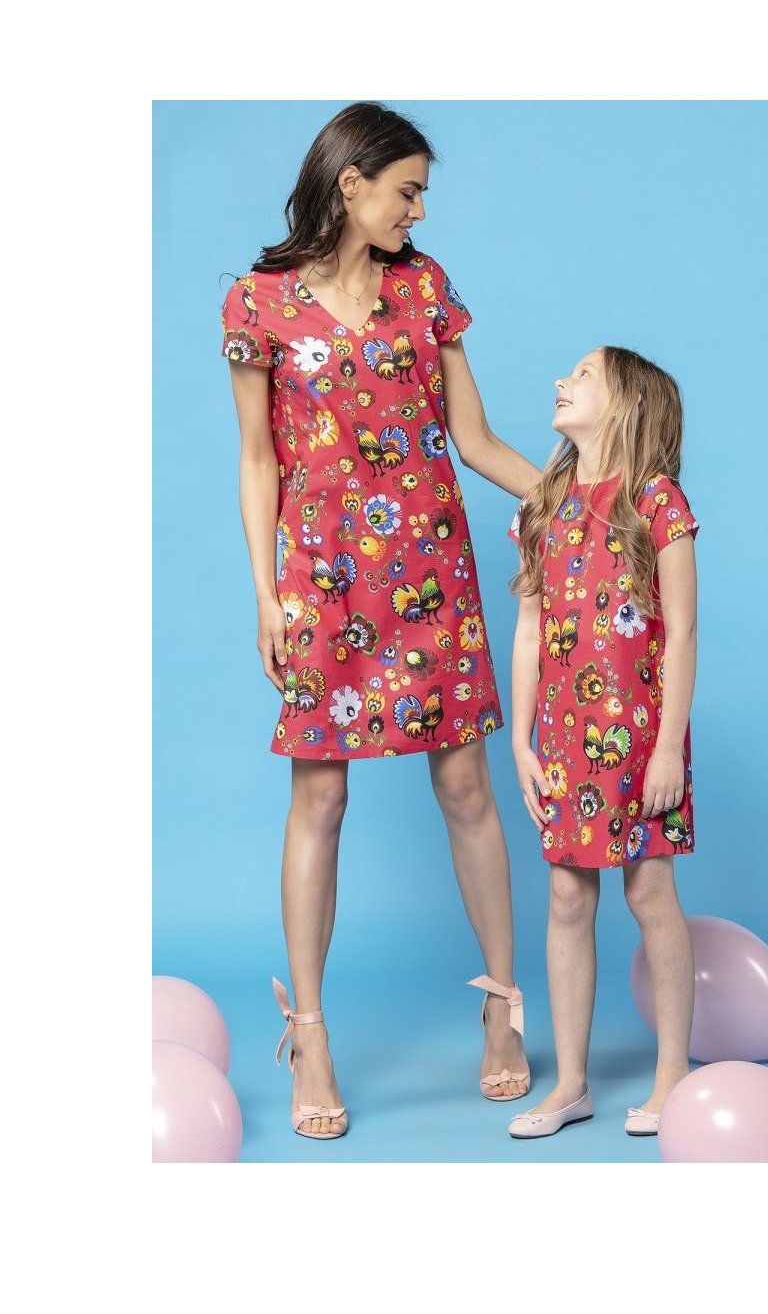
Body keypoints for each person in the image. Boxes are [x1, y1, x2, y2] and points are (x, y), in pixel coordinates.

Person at [221, 102, 541, 1138]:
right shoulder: (258, 304)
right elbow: (259, 459)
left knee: (466, 787)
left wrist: (579, 499)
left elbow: (473, 439)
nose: (417, 211)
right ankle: (310, 1034)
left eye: (421, 195)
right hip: (320, 585)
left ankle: (502, 1006)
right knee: (319, 796)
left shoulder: (424, 288)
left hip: (431, 576)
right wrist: (266, 594)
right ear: (349, 183)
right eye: (407, 191)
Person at [505, 346, 699, 1139]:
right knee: (565, 896)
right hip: (564, 741)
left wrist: (668, 748)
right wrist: (521, 742)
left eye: (583, 374)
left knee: (648, 891)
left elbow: (681, 630)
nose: (563, 381)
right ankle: (572, 1082)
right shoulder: (544, 505)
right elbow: (528, 629)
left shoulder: (657, 500)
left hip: (643, 739)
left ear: (626, 404)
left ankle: (672, 1072)